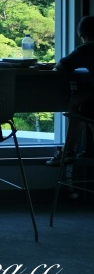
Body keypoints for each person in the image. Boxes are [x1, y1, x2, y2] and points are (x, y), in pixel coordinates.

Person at [47, 15, 94, 167]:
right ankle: (69, 151)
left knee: (77, 101)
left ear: (84, 36)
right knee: (80, 97)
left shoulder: (87, 49)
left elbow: (61, 67)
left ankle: (68, 151)